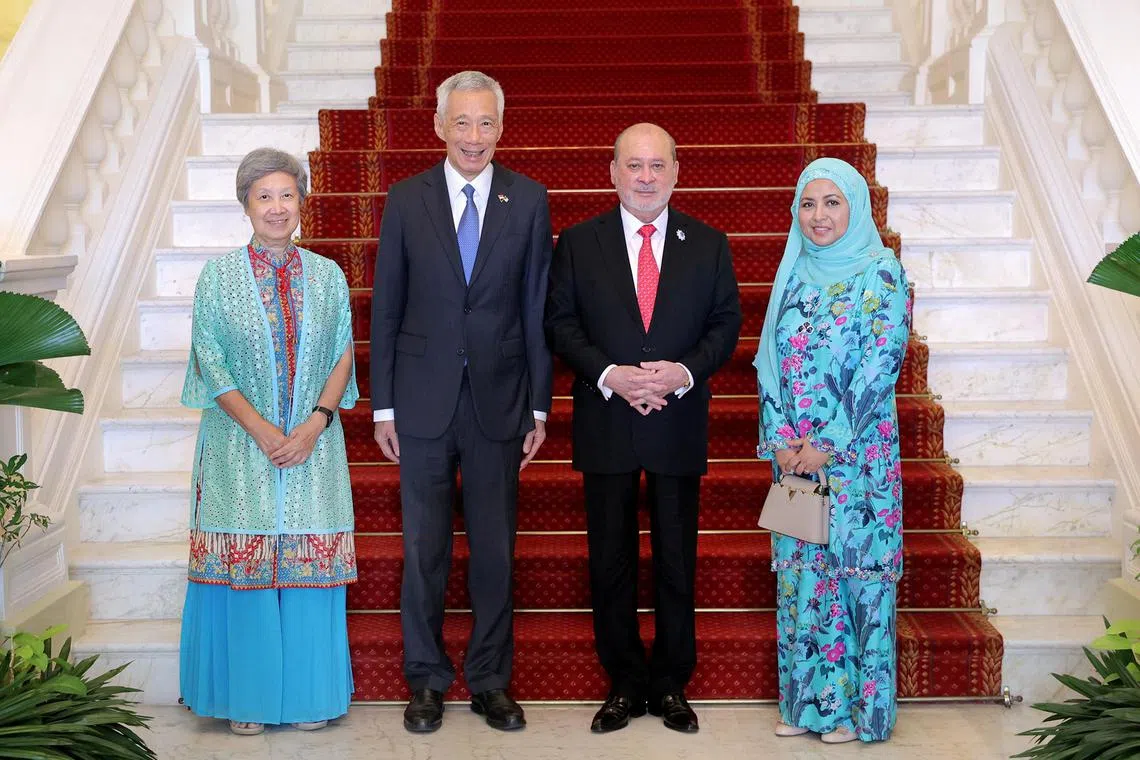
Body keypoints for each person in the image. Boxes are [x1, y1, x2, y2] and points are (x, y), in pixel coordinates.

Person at [370, 70, 553, 733]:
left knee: (495, 550)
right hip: (419, 404)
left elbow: (536, 306)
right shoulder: (405, 199)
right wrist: (383, 406)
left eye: (486, 124)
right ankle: (425, 680)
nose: (473, 137)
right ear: (440, 126)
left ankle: (489, 680)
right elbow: (386, 305)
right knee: (423, 551)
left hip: (499, 403)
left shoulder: (528, 200)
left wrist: (539, 405)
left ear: (501, 128)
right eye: (462, 123)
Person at [545, 123, 742, 735]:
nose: (647, 177)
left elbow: (725, 324)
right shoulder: (579, 243)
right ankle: (625, 682)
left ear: (677, 172)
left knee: (677, 561)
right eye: (635, 165)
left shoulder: (708, 244)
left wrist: (680, 372)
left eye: (658, 165)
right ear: (612, 172)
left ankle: (671, 683)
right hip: (607, 419)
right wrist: (611, 374)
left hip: (678, 421)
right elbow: (561, 322)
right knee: (611, 561)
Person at [179, 147, 358, 736]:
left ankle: (310, 695)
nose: (277, 208)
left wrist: (314, 424)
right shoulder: (218, 277)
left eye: (287, 195)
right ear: (245, 206)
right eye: (264, 197)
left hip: (314, 444)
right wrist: (262, 431)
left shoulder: (328, 275)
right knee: (247, 570)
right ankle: (247, 699)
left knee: (309, 570)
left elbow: (342, 355)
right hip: (238, 445)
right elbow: (211, 360)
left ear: (302, 202)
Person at [755, 157, 911, 744]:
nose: (818, 217)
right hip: (794, 458)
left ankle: (854, 712)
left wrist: (827, 443)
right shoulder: (793, 270)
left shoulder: (882, 272)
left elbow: (880, 367)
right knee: (802, 577)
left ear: (856, 207)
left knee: (856, 579)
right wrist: (781, 440)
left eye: (832, 203)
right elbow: (770, 364)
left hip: (857, 458)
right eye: (808, 204)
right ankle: (807, 707)